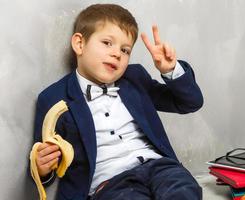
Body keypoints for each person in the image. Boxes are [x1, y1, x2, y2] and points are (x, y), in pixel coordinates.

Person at [33, 3, 203, 200]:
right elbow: (47, 162)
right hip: (110, 183)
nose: (117, 53)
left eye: (125, 50)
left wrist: (169, 70)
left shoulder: (135, 78)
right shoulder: (53, 98)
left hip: (160, 167)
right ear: (79, 44)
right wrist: (42, 169)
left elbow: (189, 102)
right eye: (107, 43)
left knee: (183, 189)